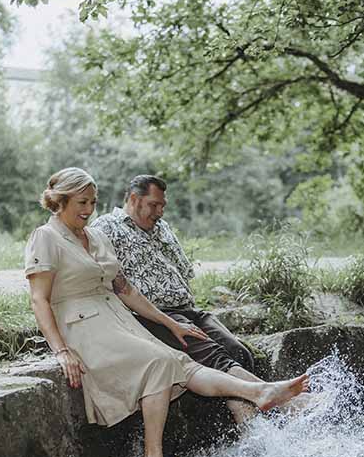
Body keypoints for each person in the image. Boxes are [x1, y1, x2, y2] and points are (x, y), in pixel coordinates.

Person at [24, 167, 309, 457]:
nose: (89, 209)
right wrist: (61, 351)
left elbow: (125, 289)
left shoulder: (96, 237)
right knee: (160, 362)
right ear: (60, 201)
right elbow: (39, 299)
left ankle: (259, 392)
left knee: (180, 362)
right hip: (82, 326)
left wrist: (171, 323)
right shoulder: (46, 237)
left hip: (117, 317)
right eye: (81, 202)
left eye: (93, 202)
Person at [92, 174, 259, 424]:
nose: (160, 211)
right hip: (154, 315)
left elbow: (183, 270)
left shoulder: (163, 227)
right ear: (134, 199)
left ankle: (245, 420)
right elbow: (109, 282)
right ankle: (271, 402)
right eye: (154, 205)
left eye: (163, 205)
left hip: (188, 309)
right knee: (214, 356)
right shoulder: (106, 227)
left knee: (239, 351)